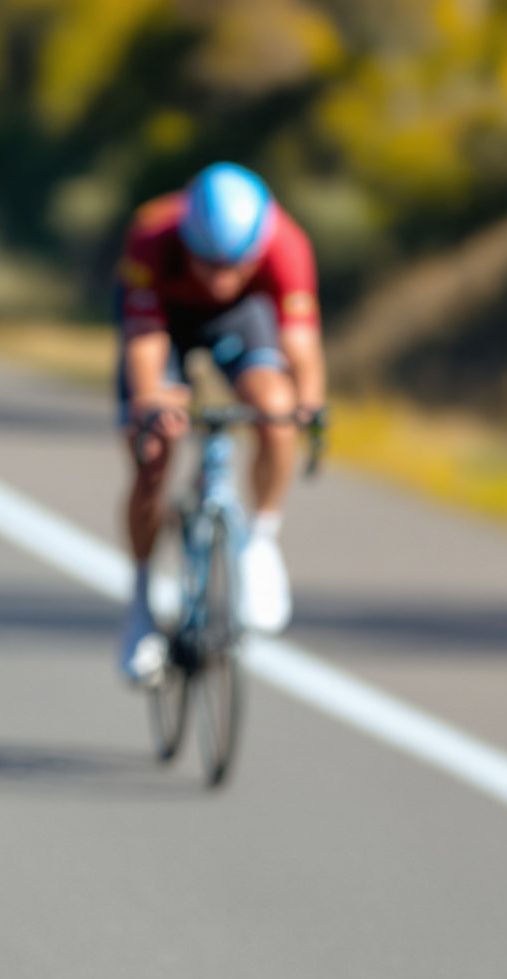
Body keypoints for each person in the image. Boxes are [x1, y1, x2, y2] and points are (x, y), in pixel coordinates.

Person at [114, 162, 329, 679]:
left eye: (235, 265)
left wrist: (308, 406)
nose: (219, 279)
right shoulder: (153, 233)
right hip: (164, 315)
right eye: (208, 264)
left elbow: (300, 343)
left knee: (275, 412)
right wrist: (150, 400)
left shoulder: (286, 243)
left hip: (243, 318)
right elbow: (143, 339)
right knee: (153, 458)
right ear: (188, 240)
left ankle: (260, 540)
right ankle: (142, 602)